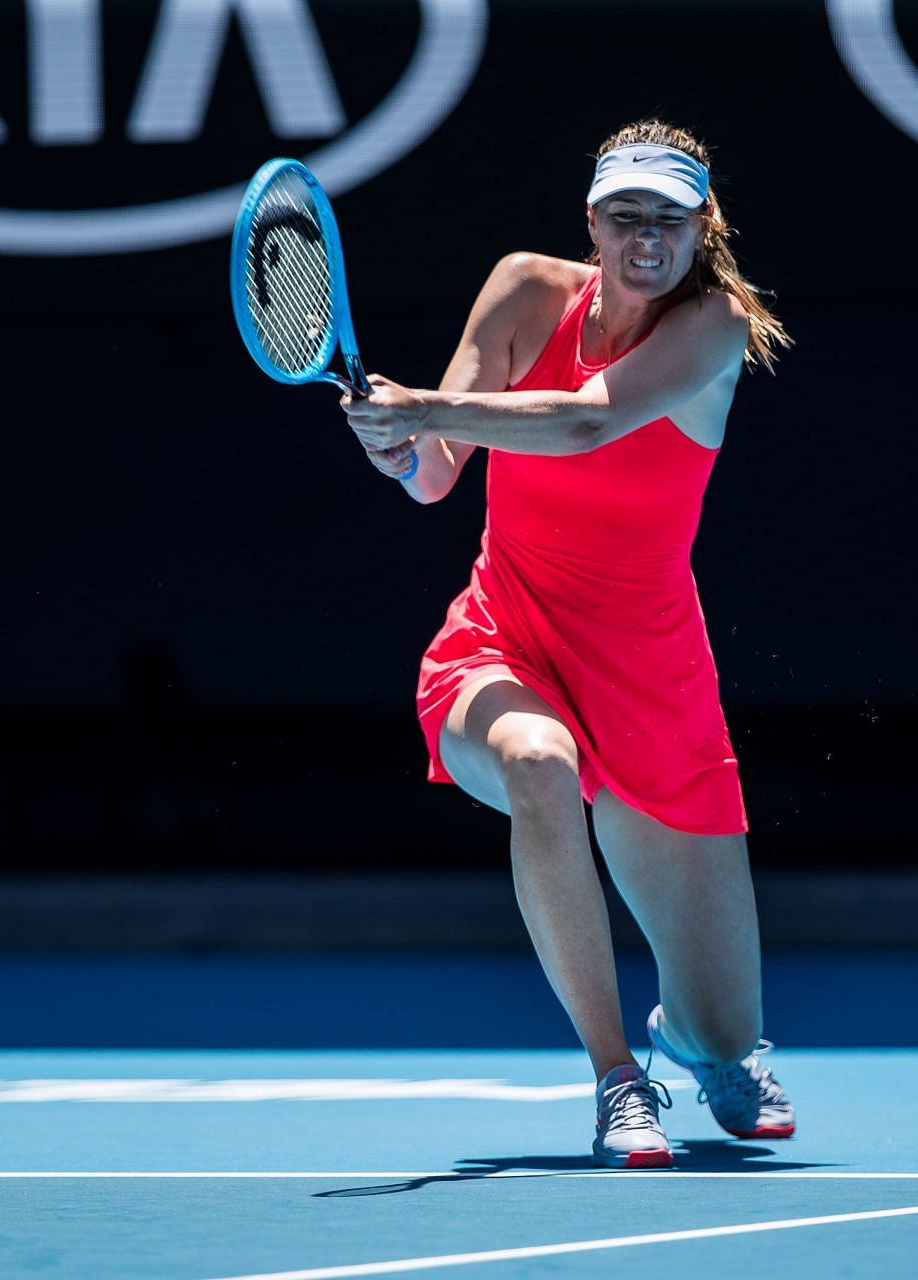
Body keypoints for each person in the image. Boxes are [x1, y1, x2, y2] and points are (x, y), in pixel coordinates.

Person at [340, 121, 795, 1168]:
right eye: (625, 216)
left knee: (729, 1027)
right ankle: (615, 1079)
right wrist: (397, 443)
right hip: (506, 637)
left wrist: (431, 405)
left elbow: (587, 422)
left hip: (653, 675)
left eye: (669, 219)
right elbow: (439, 472)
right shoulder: (521, 289)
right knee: (538, 766)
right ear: (591, 222)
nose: (647, 237)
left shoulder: (713, 327)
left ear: (700, 226)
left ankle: (697, 1041)